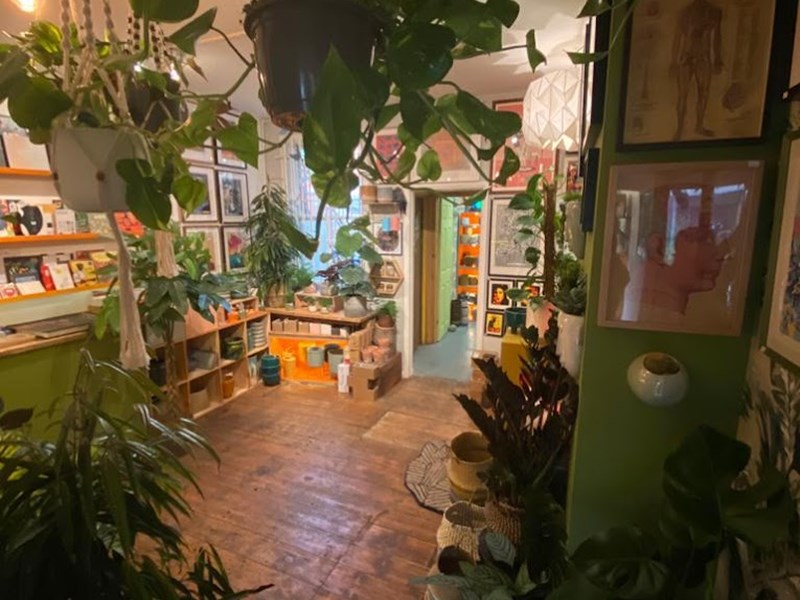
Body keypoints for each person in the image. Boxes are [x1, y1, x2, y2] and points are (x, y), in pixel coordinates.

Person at [670, 0, 724, 140]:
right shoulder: (684, 12)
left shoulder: (714, 12)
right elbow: (677, 37)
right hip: (686, 57)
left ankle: (698, 125)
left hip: (703, 58)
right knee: (682, 94)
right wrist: (673, 61)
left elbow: (717, 37)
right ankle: (680, 128)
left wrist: (718, 59)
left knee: (703, 93)